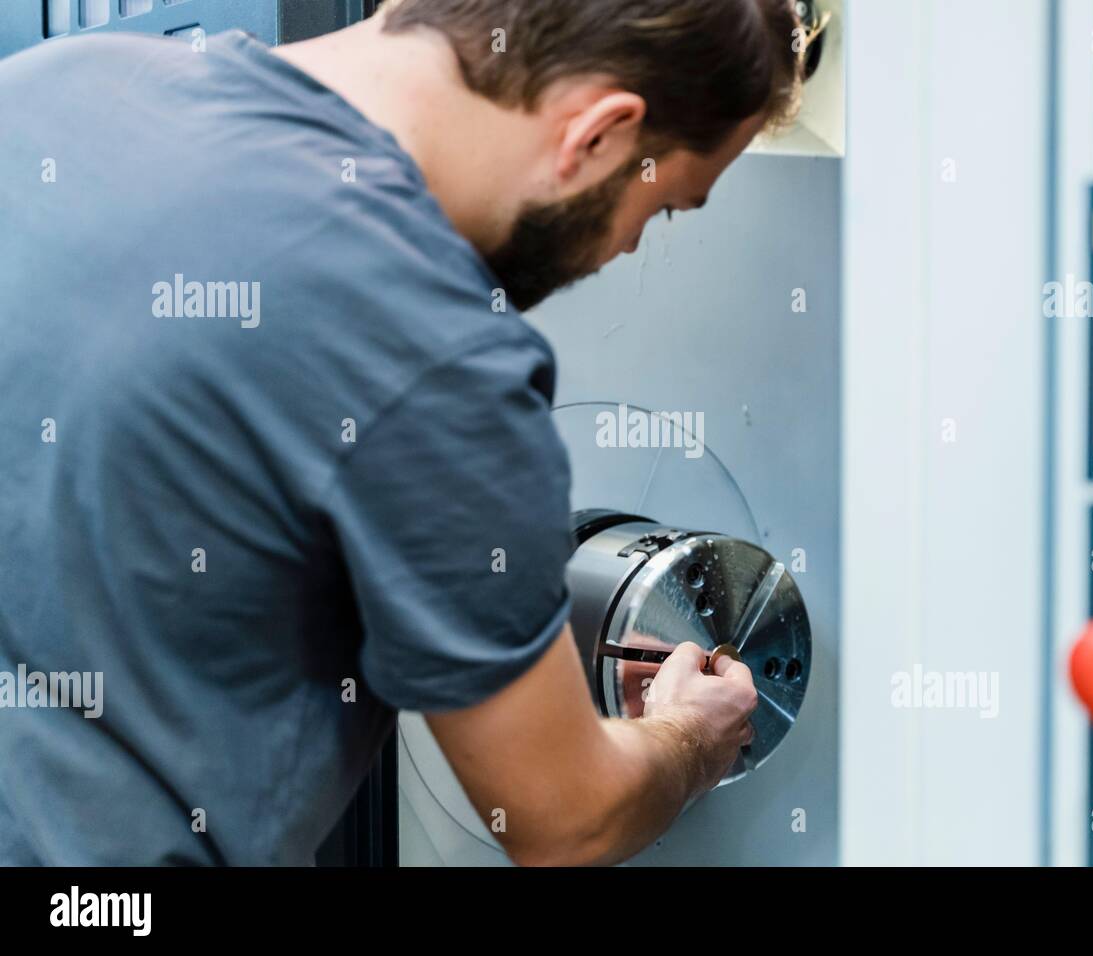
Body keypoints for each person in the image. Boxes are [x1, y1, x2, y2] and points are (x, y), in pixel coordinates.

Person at [0, 0, 804, 865]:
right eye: (665, 207)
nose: (630, 249)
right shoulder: (435, 348)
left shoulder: (47, 90)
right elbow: (569, 821)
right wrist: (692, 735)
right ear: (601, 134)